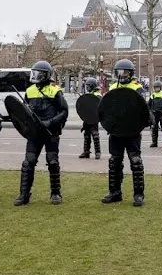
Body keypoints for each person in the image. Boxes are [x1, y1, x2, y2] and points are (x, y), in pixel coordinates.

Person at [15, 61, 69, 206]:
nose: (36, 76)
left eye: (39, 74)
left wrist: (50, 122)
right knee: (28, 162)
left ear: (46, 75)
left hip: (51, 132)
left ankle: (56, 193)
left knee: (52, 161)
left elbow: (64, 111)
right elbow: (24, 112)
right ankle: (24, 194)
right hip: (34, 133)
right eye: (35, 73)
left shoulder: (55, 90)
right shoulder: (29, 90)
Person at [102, 58, 148, 207]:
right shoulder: (112, 87)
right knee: (114, 161)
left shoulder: (137, 88)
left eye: (125, 72)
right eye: (119, 72)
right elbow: (107, 108)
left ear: (131, 73)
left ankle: (138, 194)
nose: (122, 75)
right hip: (116, 131)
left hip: (132, 131)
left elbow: (143, 109)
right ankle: (115, 192)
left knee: (135, 162)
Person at [78, 76, 102, 159]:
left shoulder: (98, 95)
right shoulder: (88, 95)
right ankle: (86, 151)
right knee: (87, 135)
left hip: (94, 118)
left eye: (89, 86)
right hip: (87, 118)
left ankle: (98, 152)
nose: (87, 87)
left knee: (95, 135)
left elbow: (99, 106)